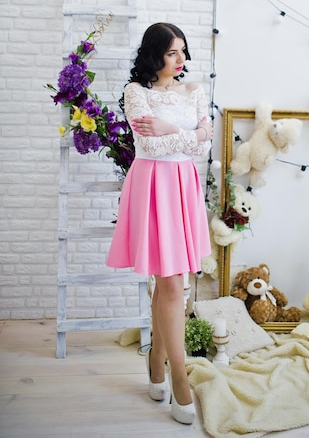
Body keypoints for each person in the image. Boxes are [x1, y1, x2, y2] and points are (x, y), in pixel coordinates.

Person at [106, 22, 212, 425]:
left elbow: (207, 137)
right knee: (168, 280)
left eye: (183, 51)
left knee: (172, 279)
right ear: (154, 55)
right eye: (172, 53)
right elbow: (148, 145)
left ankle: (156, 358)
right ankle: (178, 378)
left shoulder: (193, 90)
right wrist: (191, 132)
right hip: (153, 184)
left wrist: (175, 128)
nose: (181, 60)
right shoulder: (136, 93)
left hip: (183, 183)